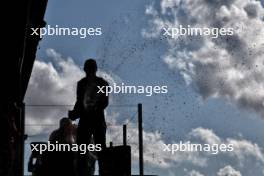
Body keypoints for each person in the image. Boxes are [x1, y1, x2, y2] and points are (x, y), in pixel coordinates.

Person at [69, 59, 109, 175]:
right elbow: (80, 102)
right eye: (89, 69)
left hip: (93, 121)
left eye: (89, 69)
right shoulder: (85, 84)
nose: (89, 71)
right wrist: (75, 113)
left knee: (97, 149)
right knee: (93, 150)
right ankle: (85, 172)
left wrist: (76, 113)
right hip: (92, 121)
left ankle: (97, 172)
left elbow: (104, 103)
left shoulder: (98, 83)